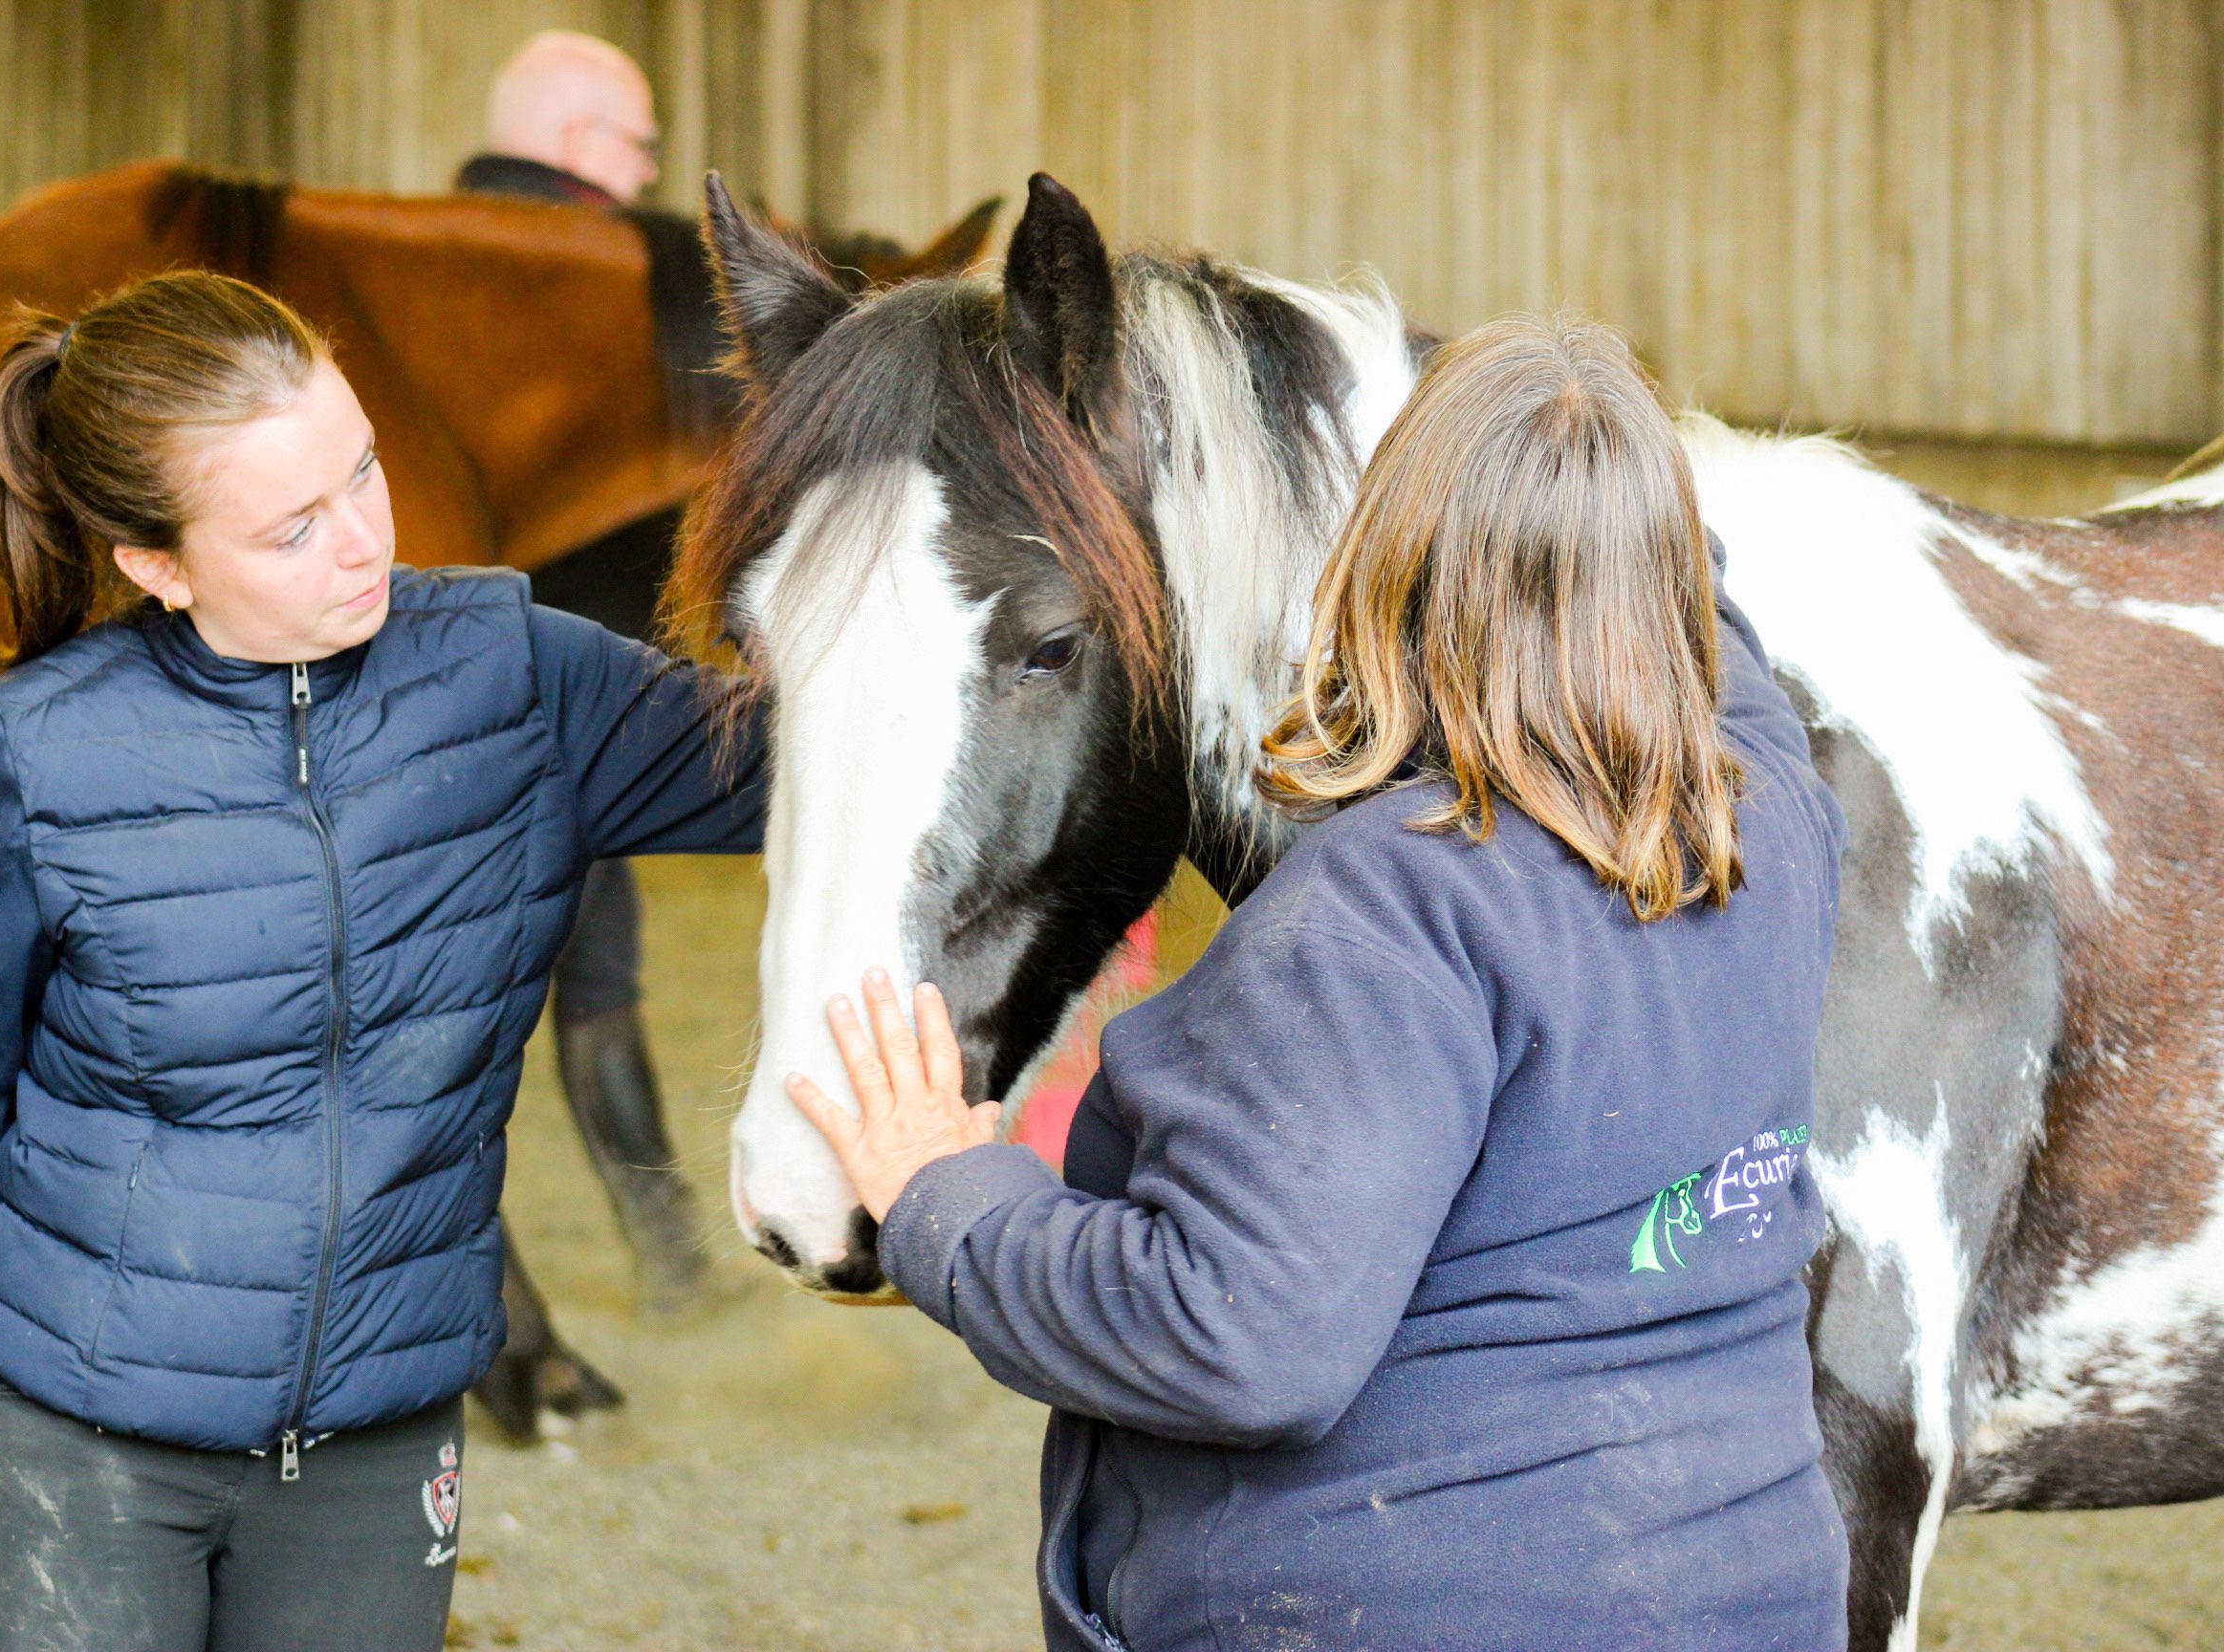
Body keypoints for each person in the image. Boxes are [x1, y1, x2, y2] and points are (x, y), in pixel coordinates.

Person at [788, 318, 1852, 1649]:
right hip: (1740, 1590)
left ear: (1390, 548)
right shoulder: (1770, 815)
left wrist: (949, 1200)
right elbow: (1701, 625)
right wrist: (1596, 470)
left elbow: (1231, 1336)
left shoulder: (1387, 915)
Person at [0, 270, 763, 1650]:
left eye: (364, 471)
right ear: (158, 566)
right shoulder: (47, 752)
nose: (363, 540)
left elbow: (831, 763)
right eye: (293, 528)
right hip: (77, 1440)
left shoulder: (518, 681)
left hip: (377, 1440)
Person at [453, 29, 711, 1350]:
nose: (651, 169)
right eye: (637, 142)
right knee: (586, 982)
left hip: (457, 687)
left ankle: (659, 1262)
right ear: (572, 143)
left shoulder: (420, 272)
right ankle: (623, 1278)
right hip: (570, 693)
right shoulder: (608, 290)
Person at [455, 31, 659, 207]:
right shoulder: (607, 247)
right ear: (582, 144)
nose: (650, 174)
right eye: (641, 146)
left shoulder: (437, 234)